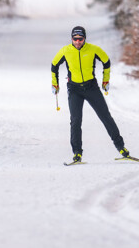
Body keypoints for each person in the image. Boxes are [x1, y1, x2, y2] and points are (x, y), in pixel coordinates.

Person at [51, 26, 130, 163]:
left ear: (84, 39)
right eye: (75, 39)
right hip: (74, 89)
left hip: (91, 87)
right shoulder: (65, 51)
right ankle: (77, 153)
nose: (77, 42)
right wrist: (55, 84)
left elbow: (106, 62)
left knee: (105, 117)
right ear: (71, 39)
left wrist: (106, 80)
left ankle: (121, 147)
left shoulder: (93, 49)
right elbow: (54, 65)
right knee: (75, 121)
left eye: (80, 39)